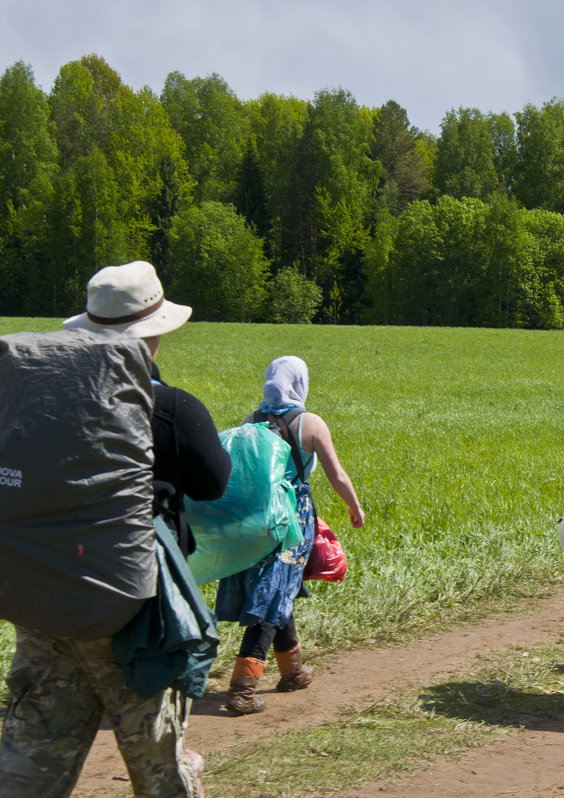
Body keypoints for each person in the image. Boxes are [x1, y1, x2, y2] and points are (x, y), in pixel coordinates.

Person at [1, 262, 229, 797]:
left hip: (41, 601)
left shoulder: (36, 404)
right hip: (132, 613)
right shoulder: (170, 407)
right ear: (154, 333)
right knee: (158, 766)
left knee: (29, 761)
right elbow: (215, 483)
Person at [216, 356, 365, 715]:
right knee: (272, 594)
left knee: (278, 585)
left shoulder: (250, 421)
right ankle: (242, 689)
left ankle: (293, 671)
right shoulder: (309, 423)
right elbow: (337, 475)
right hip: (290, 517)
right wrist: (355, 507)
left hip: (254, 517)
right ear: (300, 382)